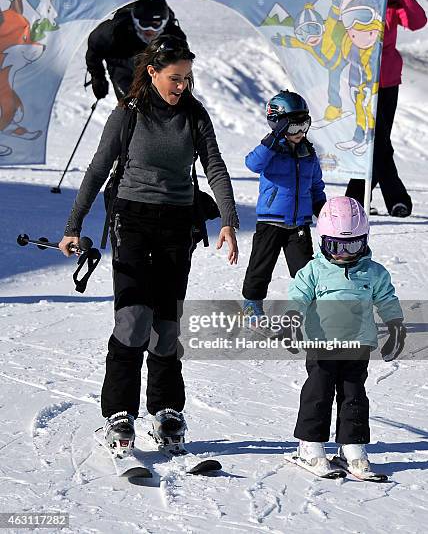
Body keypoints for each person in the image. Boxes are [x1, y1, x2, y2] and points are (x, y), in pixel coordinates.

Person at [59, 34, 239, 456]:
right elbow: (99, 167)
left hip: (178, 223)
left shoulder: (194, 116)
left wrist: (229, 221)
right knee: (134, 318)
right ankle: (119, 413)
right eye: (175, 78)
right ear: (153, 72)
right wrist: (73, 225)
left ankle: (166, 410)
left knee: (166, 326)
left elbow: (214, 166)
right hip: (132, 219)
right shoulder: (128, 114)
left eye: (187, 78)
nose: (181, 86)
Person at [288, 196, 406, 476]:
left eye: (353, 245)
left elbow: (387, 299)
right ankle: (310, 445)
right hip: (321, 344)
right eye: (336, 246)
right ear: (323, 241)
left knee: (354, 395)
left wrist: (395, 325)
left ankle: (352, 446)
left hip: (358, 344)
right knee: (318, 392)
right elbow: (297, 297)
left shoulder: (373, 272)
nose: (344, 253)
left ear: (364, 241)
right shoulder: (314, 271)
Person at [242, 90, 326, 325]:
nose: (299, 133)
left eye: (304, 126)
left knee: (305, 271)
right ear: (278, 126)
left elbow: (316, 185)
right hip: (271, 221)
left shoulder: (308, 152)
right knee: (261, 266)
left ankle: (310, 309)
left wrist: (323, 209)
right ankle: (251, 304)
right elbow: (252, 164)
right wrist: (272, 139)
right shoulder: (270, 150)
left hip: (299, 223)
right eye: (292, 128)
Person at [345, 0, 427, 216]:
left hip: (387, 81)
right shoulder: (354, 3)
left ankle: (354, 200)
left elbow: (418, 21)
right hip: (361, 82)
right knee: (377, 143)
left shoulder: (391, 3)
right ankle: (396, 199)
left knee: (378, 143)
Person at [86, 0, 186, 100]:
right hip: (120, 63)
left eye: (156, 24)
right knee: (130, 104)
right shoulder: (114, 31)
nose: (150, 30)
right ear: (135, 21)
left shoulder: (174, 36)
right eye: (144, 24)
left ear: (164, 23)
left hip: (154, 67)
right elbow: (94, 48)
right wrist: (97, 77)